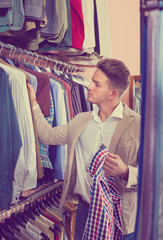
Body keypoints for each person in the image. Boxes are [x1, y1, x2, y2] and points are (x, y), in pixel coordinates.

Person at [27, 58, 140, 240]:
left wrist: (126, 171)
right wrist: (33, 102)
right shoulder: (81, 120)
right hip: (86, 213)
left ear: (112, 93)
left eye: (96, 84)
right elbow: (48, 136)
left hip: (121, 216)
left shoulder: (138, 124)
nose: (89, 86)